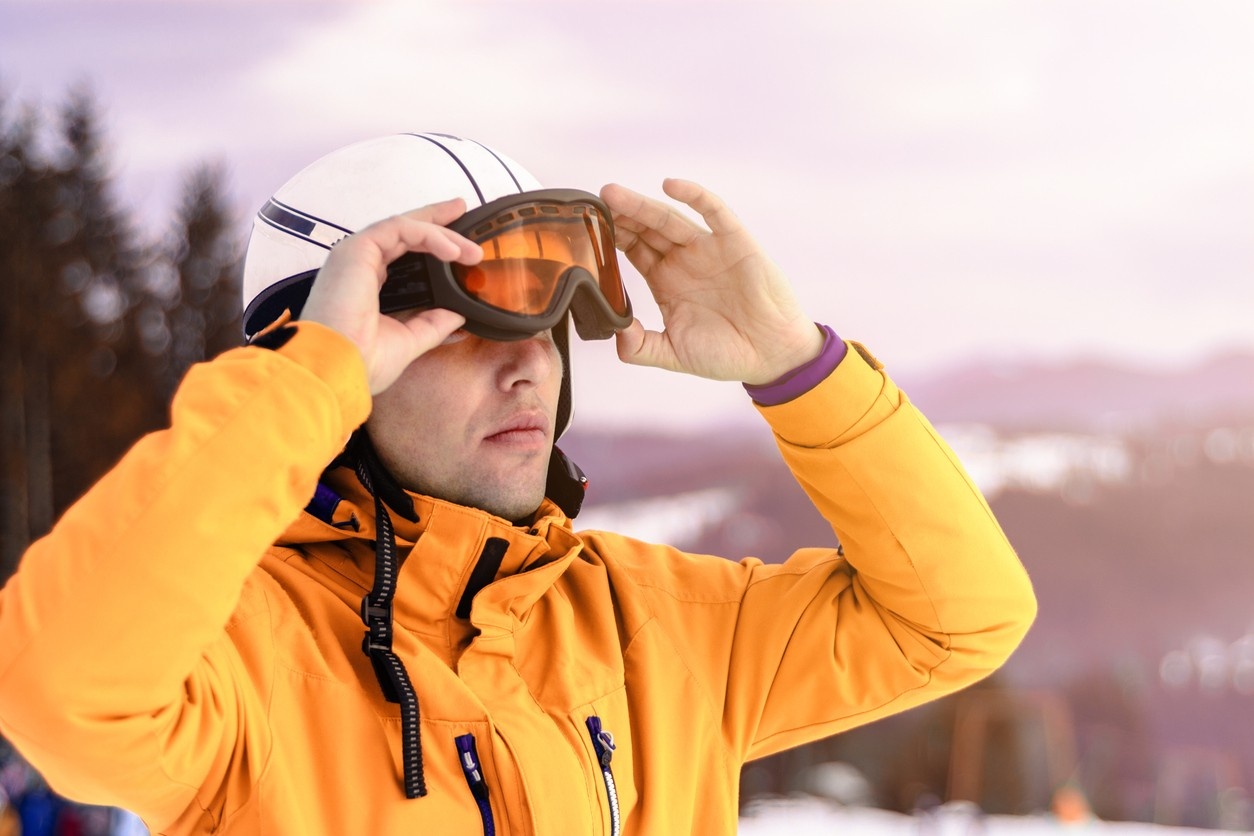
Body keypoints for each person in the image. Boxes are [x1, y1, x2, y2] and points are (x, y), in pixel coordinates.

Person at [0, 133, 1036, 834]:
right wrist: (304, 384)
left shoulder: (655, 625)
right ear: (334, 360)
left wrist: (796, 366)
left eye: (545, 326)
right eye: (455, 328)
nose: (528, 363)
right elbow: (59, 689)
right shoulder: (244, 665)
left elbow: (958, 619)